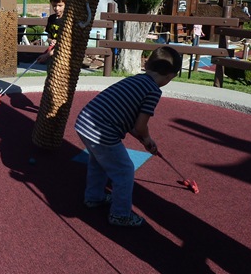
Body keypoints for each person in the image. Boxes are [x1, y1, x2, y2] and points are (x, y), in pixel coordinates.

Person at [75, 46, 182, 227]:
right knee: (124, 171)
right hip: (102, 131)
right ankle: (120, 214)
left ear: (147, 65)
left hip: (84, 122)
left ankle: (94, 197)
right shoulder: (153, 91)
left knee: (98, 162)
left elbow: (128, 119)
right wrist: (146, 137)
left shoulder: (135, 79)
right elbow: (140, 126)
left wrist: (143, 138)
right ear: (170, 76)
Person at [36, 0, 68, 65]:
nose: (56, 8)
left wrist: (47, 55)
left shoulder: (67, 20)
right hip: (52, 54)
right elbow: (49, 36)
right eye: (54, 5)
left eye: (60, 5)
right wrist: (51, 41)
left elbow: (66, 42)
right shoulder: (51, 18)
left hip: (63, 55)